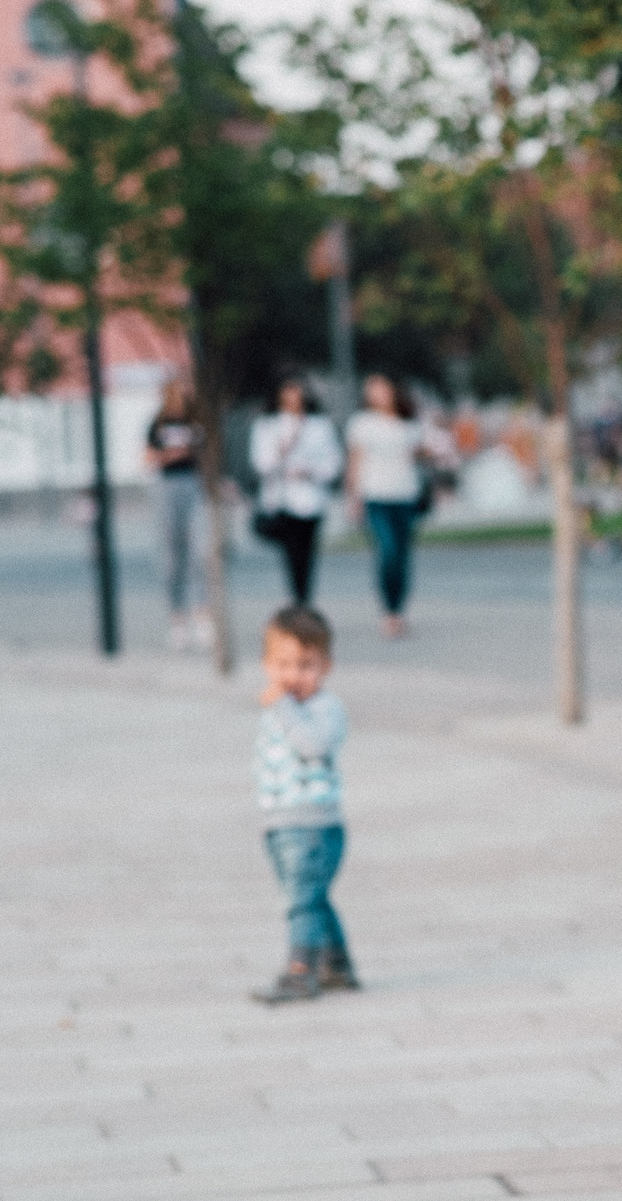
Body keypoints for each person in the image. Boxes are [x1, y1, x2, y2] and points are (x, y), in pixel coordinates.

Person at [253, 605, 357, 1004]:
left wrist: (282, 706)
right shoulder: (284, 709)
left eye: (306, 665)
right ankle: (337, 963)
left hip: (314, 825)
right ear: (266, 665)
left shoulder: (325, 709)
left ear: (326, 666)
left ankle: (300, 971)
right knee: (311, 898)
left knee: (302, 901)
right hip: (281, 822)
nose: (293, 675)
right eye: (283, 664)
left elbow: (312, 745)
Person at [345, 374, 425, 640]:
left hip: (405, 494)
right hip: (375, 495)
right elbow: (355, 461)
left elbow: (421, 454)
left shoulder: (409, 423)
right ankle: (389, 610)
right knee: (387, 550)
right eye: (371, 390)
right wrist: (353, 498)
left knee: (402, 555)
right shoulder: (362, 424)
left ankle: (399, 609)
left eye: (381, 388)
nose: (377, 394)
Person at [250, 378, 341, 605]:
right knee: (291, 552)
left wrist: (310, 472)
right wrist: (285, 447)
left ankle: (303, 599)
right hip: (282, 499)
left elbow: (333, 462)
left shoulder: (320, 425)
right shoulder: (268, 425)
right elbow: (261, 464)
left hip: (311, 499)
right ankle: (297, 598)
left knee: (307, 552)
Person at [147, 380, 208, 651]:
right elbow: (148, 458)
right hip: (167, 485)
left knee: (198, 549)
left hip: (192, 482)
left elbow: (208, 455)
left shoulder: (195, 423)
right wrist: (170, 455)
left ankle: (202, 614)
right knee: (172, 554)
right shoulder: (158, 424)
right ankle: (177, 618)